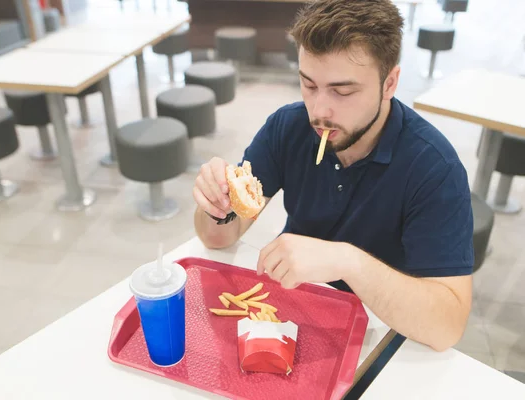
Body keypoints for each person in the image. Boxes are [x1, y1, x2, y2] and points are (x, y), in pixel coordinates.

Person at [192, 0, 473, 352]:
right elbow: (218, 237)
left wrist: (346, 260)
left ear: (390, 83)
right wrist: (216, 206)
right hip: (288, 312)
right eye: (309, 85)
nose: (320, 110)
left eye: (343, 91)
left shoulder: (433, 167)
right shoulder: (287, 126)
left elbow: (446, 329)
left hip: (381, 332)